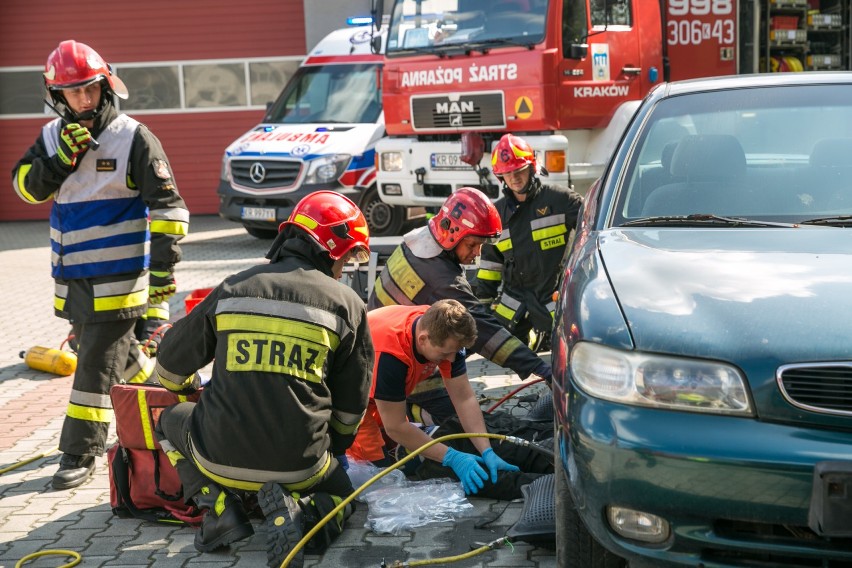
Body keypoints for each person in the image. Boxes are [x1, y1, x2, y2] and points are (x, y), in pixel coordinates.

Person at [152, 191, 374, 568]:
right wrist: (332, 452)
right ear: (333, 249)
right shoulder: (347, 304)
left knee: (167, 421)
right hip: (302, 466)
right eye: (349, 256)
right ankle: (304, 517)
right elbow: (352, 405)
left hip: (216, 458)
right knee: (346, 499)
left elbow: (169, 372)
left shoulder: (233, 287)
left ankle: (219, 509)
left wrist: (193, 390)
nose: (346, 267)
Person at [11, 40, 189, 490]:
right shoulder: (53, 137)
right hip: (73, 281)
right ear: (57, 95)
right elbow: (25, 188)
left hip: (121, 282)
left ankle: (80, 450)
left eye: (90, 90)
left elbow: (169, 207)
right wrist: (57, 163)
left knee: (93, 364)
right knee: (124, 359)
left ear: (106, 86)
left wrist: (165, 273)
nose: (83, 101)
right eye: (73, 93)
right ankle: (181, 405)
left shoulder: (133, 137)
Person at [367, 187, 551, 426]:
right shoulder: (441, 280)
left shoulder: (418, 243)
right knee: (460, 421)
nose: (477, 254)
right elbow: (483, 330)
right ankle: (405, 412)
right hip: (401, 363)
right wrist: (538, 367)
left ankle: (403, 408)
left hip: (387, 348)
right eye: (473, 245)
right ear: (451, 234)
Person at [348, 299, 522, 496]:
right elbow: (395, 427)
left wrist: (486, 449)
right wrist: (453, 458)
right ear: (423, 339)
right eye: (445, 354)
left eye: (454, 353)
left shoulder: (444, 330)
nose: (450, 360)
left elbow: (464, 399)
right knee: (379, 474)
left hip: (379, 383)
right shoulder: (391, 358)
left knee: (401, 446)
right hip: (351, 398)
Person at [475, 134, 583, 351]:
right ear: (500, 177)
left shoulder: (560, 201)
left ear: (532, 167)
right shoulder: (497, 214)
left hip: (551, 300)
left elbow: (593, 227)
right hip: (513, 305)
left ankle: (544, 338)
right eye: (507, 173)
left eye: (519, 170)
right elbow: (490, 266)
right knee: (504, 350)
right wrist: (481, 309)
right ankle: (533, 339)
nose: (514, 178)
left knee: (568, 346)